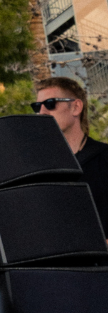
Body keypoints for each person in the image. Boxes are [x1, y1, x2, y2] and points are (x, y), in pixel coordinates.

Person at [33, 78, 108, 238]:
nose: (42, 112)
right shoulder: (36, 169)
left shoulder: (104, 158)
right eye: (37, 106)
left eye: (51, 103)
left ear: (76, 107)